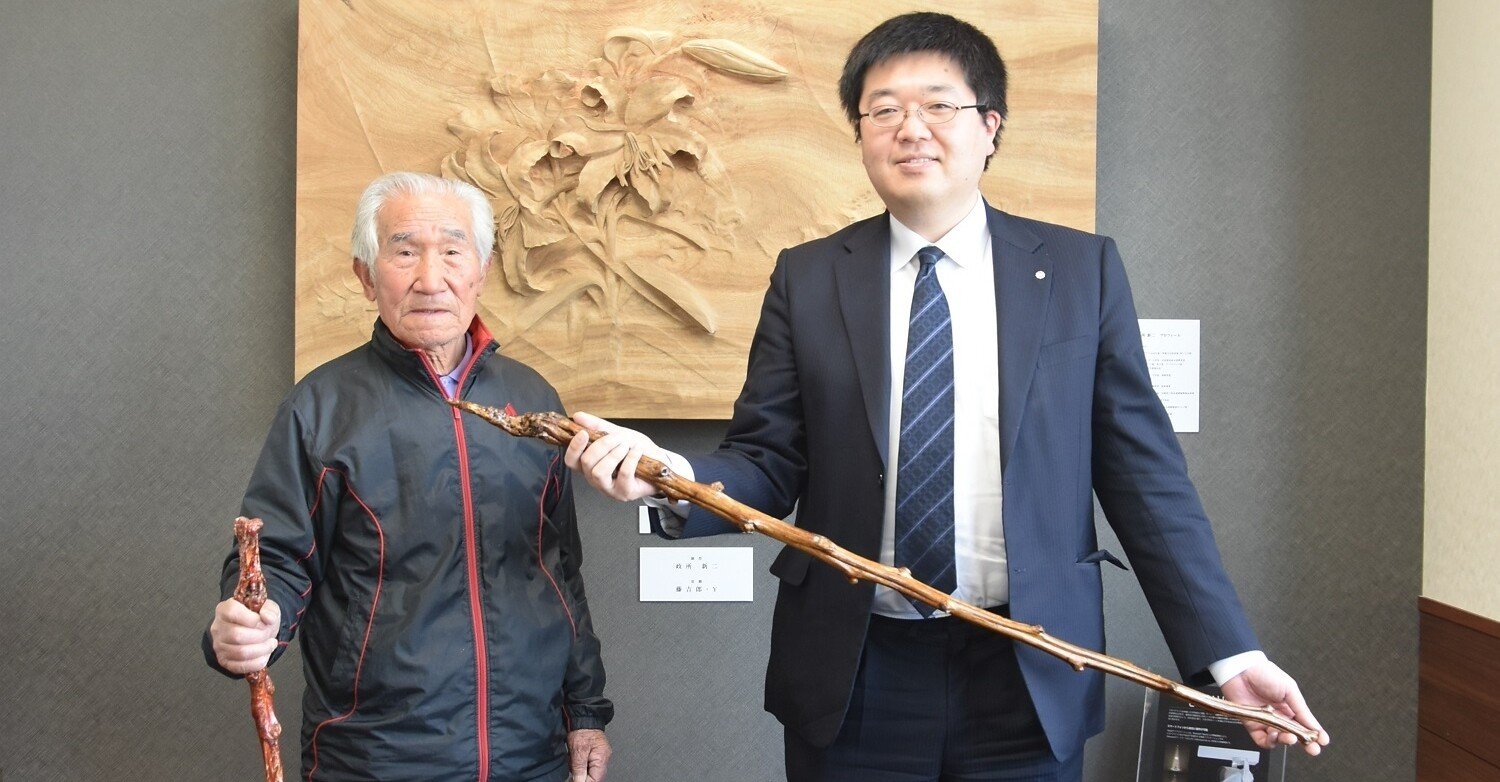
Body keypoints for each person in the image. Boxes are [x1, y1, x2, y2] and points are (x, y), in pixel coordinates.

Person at [565, 12, 1327, 781]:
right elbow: (767, 460)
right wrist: (668, 477)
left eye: (939, 105)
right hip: (855, 672)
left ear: (990, 127)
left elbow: (1145, 480)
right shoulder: (810, 277)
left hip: (1031, 668)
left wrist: (1230, 655)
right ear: (860, 135)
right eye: (883, 110)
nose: (911, 128)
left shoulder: (1079, 272)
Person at [205, 172, 613, 782]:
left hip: (530, 753)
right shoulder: (321, 408)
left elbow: (560, 572)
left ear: (481, 270)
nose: (430, 278)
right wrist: (249, 625)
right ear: (366, 276)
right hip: (374, 757)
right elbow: (277, 561)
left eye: (452, 251)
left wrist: (585, 712)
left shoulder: (532, 401)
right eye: (404, 252)